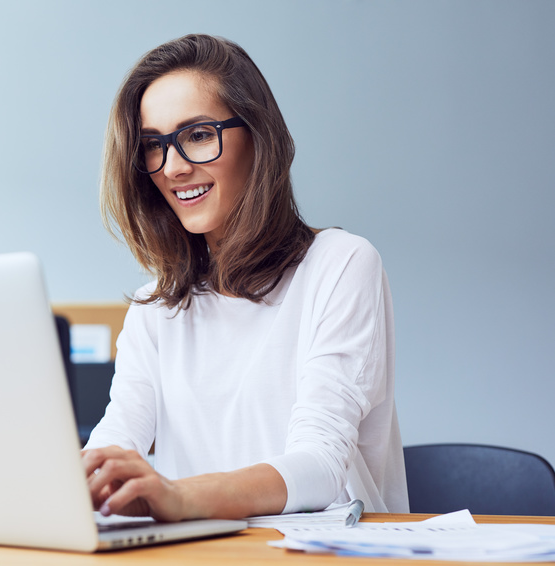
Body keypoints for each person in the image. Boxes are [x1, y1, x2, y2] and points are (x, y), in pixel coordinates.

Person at [81, 34, 408, 521]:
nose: (172, 167)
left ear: (259, 137)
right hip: (199, 554)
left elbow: (320, 467)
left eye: (197, 135)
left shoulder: (340, 264)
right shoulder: (156, 305)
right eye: (153, 146)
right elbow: (115, 438)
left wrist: (180, 496)